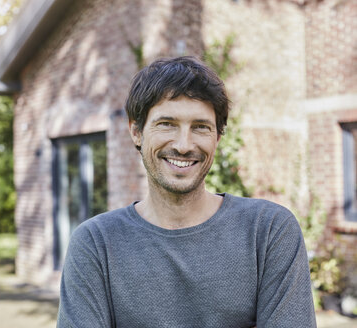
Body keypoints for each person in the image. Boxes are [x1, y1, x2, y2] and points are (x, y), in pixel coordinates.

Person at [56, 56, 316, 328]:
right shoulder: (96, 244)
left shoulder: (268, 231)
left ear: (217, 137)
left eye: (200, 127)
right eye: (166, 124)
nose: (183, 144)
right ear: (136, 132)